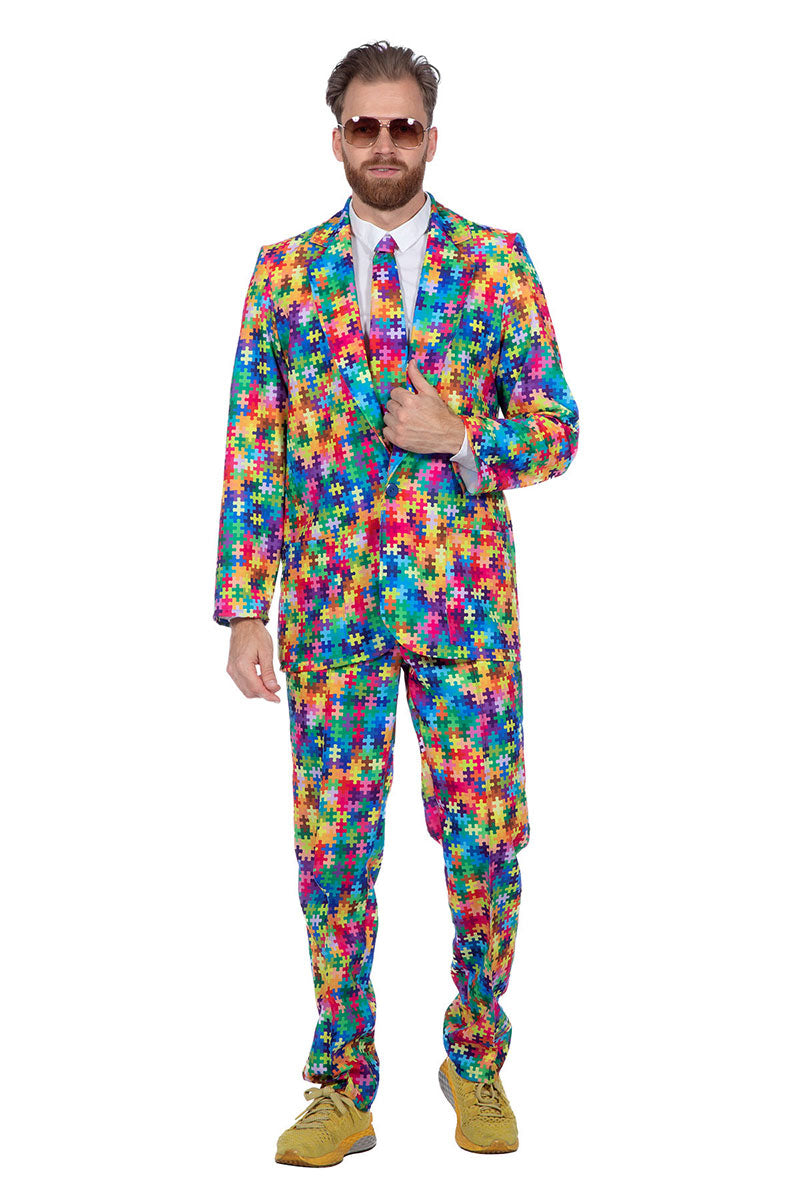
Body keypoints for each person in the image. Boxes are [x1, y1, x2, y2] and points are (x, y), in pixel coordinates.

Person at [213, 39, 579, 1167]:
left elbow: (557, 427)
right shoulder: (285, 274)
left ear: (430, 135)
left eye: (403, 126)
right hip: (332, 614)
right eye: (365, 126)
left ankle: (475, 1058)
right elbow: (256, 446)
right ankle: (341, 1083)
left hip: (464, 614)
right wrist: (246, 608)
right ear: (337, 139)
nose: (384, 144)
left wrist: (463, 439)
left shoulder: (496, 263)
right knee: (332, 854)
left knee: (487, 841)